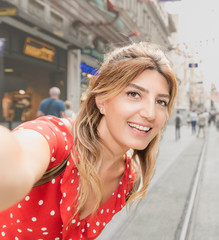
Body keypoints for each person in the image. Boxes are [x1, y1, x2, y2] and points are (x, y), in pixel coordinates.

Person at [0, 42, 178, 239]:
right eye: (134, 94)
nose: (150, 113)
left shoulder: (128, 180)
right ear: (102, 99)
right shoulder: (55, 140)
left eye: (161, 101)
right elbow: (17, 158)